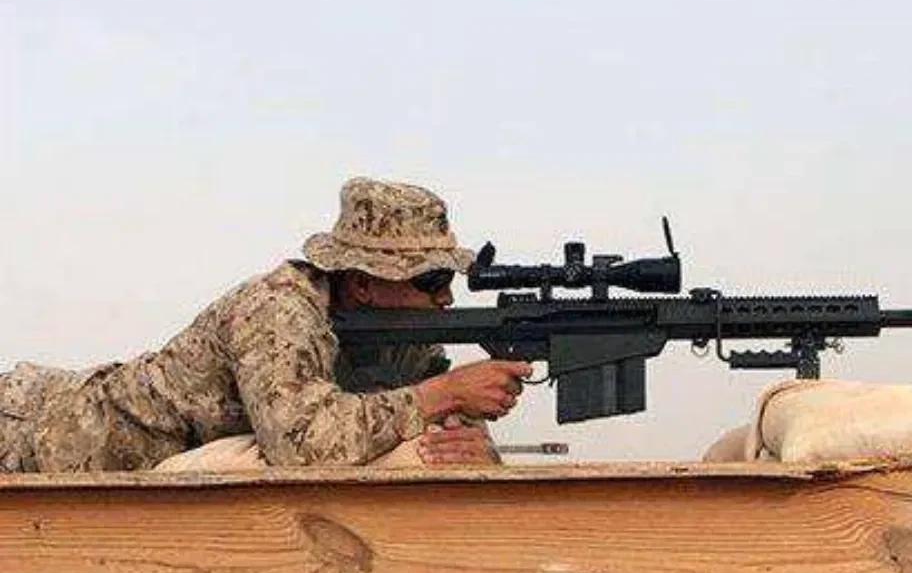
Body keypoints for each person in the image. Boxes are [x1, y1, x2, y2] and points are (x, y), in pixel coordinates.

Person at [0, 177, 532, 473]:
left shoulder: (396, 333)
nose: (444, 298)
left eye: (447, 279)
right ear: (363, 283)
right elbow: (300, 446)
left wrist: (475, 446)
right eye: (429, 280)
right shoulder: (278, 310)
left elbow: (428, 422)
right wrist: (445, 392)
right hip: (40, 439)